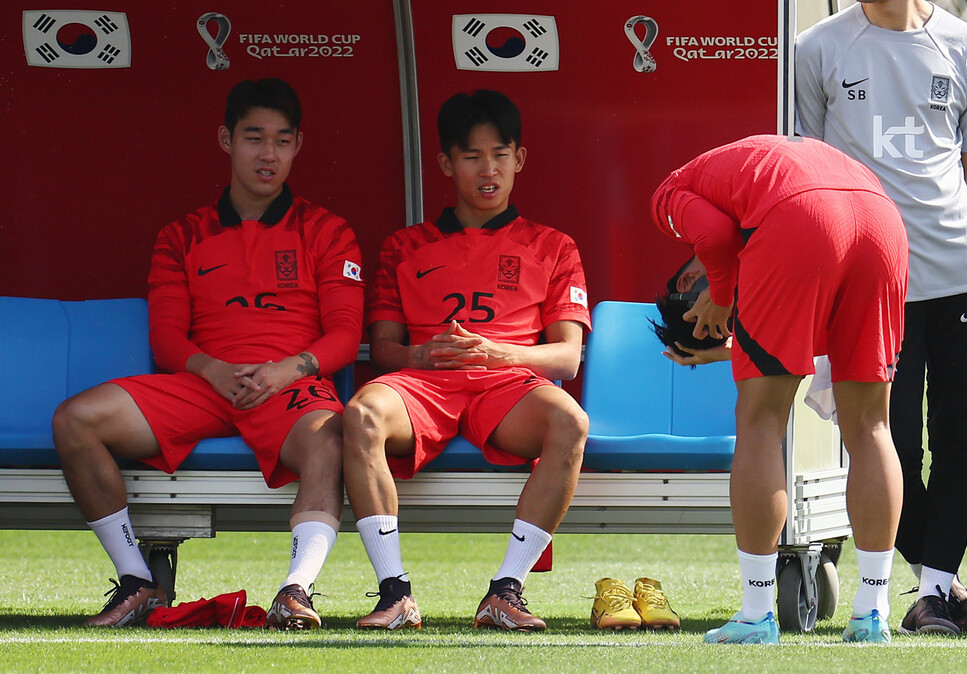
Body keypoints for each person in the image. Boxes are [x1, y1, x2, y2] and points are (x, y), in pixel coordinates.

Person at [51, 78, 364, 629]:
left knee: (330, 437)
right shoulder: (182, 235)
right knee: (77, 420)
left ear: (297, 147)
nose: (268, 154)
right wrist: (212, 370)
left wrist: (286, 369)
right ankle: (137, 581)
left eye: (282, 140)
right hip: (205, 385)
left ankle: (296, 591)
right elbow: (167, 337)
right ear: (226, 139)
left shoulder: (328, 231)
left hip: (286, 386)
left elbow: (343, 334)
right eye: (253, 138)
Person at [341, 89, 592, 632]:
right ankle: (395, 593)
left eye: (500, 154)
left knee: (570, 420)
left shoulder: (555, 246)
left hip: (509, 384)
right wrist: (418, 353)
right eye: (472, 156)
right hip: (425, 383)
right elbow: (383, 349)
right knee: (360, 413)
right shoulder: (403, 247)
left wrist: (499, 352)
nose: (488, 169)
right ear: (446, 163)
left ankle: (506, 590)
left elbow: (567, 357)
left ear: (519, 159)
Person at [651, 134, 908, 644]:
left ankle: (755, 614)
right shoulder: (736, 185)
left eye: (714, 323)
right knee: (871, 424)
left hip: (805, 216)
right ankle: (872, 612)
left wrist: (722, 297)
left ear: (686, 285)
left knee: (760, 421)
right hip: (880, 217)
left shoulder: (668, 194)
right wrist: (727, 341)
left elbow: (718, 239)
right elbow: (808, 349)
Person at [795, 0, 967, 635]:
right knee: (882, 441)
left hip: (959, 272)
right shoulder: (817, 48)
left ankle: (930, 592)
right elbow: (808, 173)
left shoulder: (962, 42)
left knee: (961, 437)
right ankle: (942, 584)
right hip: (870, 281)